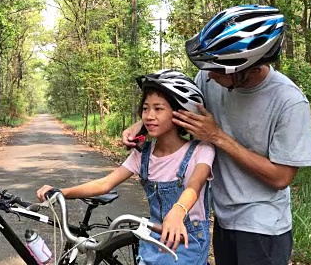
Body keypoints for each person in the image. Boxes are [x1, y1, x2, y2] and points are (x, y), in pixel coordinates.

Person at [123, 5, 311, 265]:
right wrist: (142, 126)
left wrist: (217, 137)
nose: (209, 76)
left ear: (248, 67)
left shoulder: (289, 102)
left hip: (263, 227)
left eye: (218, 69)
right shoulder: (209, 77)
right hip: (222, 219)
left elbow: (281, 177)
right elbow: (178, 107)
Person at [37, 69, 215, 265]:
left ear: (180, 112)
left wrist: (178, 211)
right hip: (152, 238)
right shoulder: (143, 154)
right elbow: (105, 183)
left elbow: (194, 187)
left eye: (158, 109)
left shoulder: (201, 150)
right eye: (145, 109)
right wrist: (61, 192)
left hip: (186, 241)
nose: (149, 116)